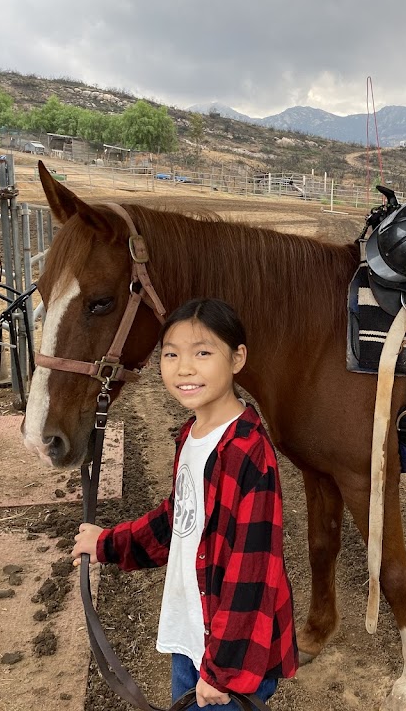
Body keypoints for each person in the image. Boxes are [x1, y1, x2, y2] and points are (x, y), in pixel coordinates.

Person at [72, 298, 297, 708]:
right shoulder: (192, 434)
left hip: (226, 659)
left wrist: (222, 671)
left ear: (237, 358)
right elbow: (177, 520)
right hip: (190, 636)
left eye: (203, 353)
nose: (184, 368)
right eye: (171, 354)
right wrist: (106, 542)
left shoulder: (247, 452)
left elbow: (253, 569)